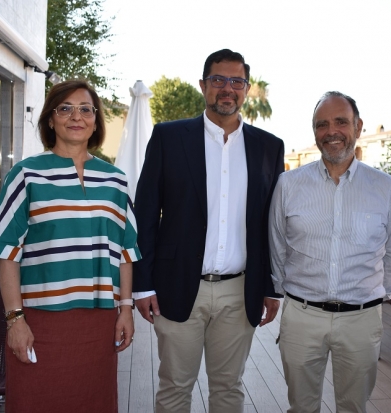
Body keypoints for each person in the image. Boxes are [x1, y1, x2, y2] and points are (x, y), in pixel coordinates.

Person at [133, 49, 284, 413]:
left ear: (247, 89)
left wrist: (271, 286)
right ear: (203, 85)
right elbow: (146, 212)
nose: (227, 88)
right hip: (176, 285)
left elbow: (272, 223)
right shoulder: (169, 137)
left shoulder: (269, 147)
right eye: (218, 80)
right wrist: (143, 283)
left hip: (239, 291)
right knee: (173, 388)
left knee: (229, 389)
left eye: (237, 81)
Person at [0, 79, 140, 413]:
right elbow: (6, 252)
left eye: (86, 109)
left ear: (96, 121)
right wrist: (15, 320)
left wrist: (125, 309)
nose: (76, 116)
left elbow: (126, 252)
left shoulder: (116, 180)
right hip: (39, 322)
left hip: (99, 324)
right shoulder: (25, 175)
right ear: (50, 119)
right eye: (65, 108)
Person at [269, 91, 391, 413]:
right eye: (322, 124)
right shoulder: (288, 185)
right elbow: (277, 245)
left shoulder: (385, 188)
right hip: (302, 316)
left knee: (353, 408)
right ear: (314, 132)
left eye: (341, 122)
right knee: (301, 407)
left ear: (358, 126)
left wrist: (375, 295)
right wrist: (280, 292)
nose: (332, 131)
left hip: (361, 318)